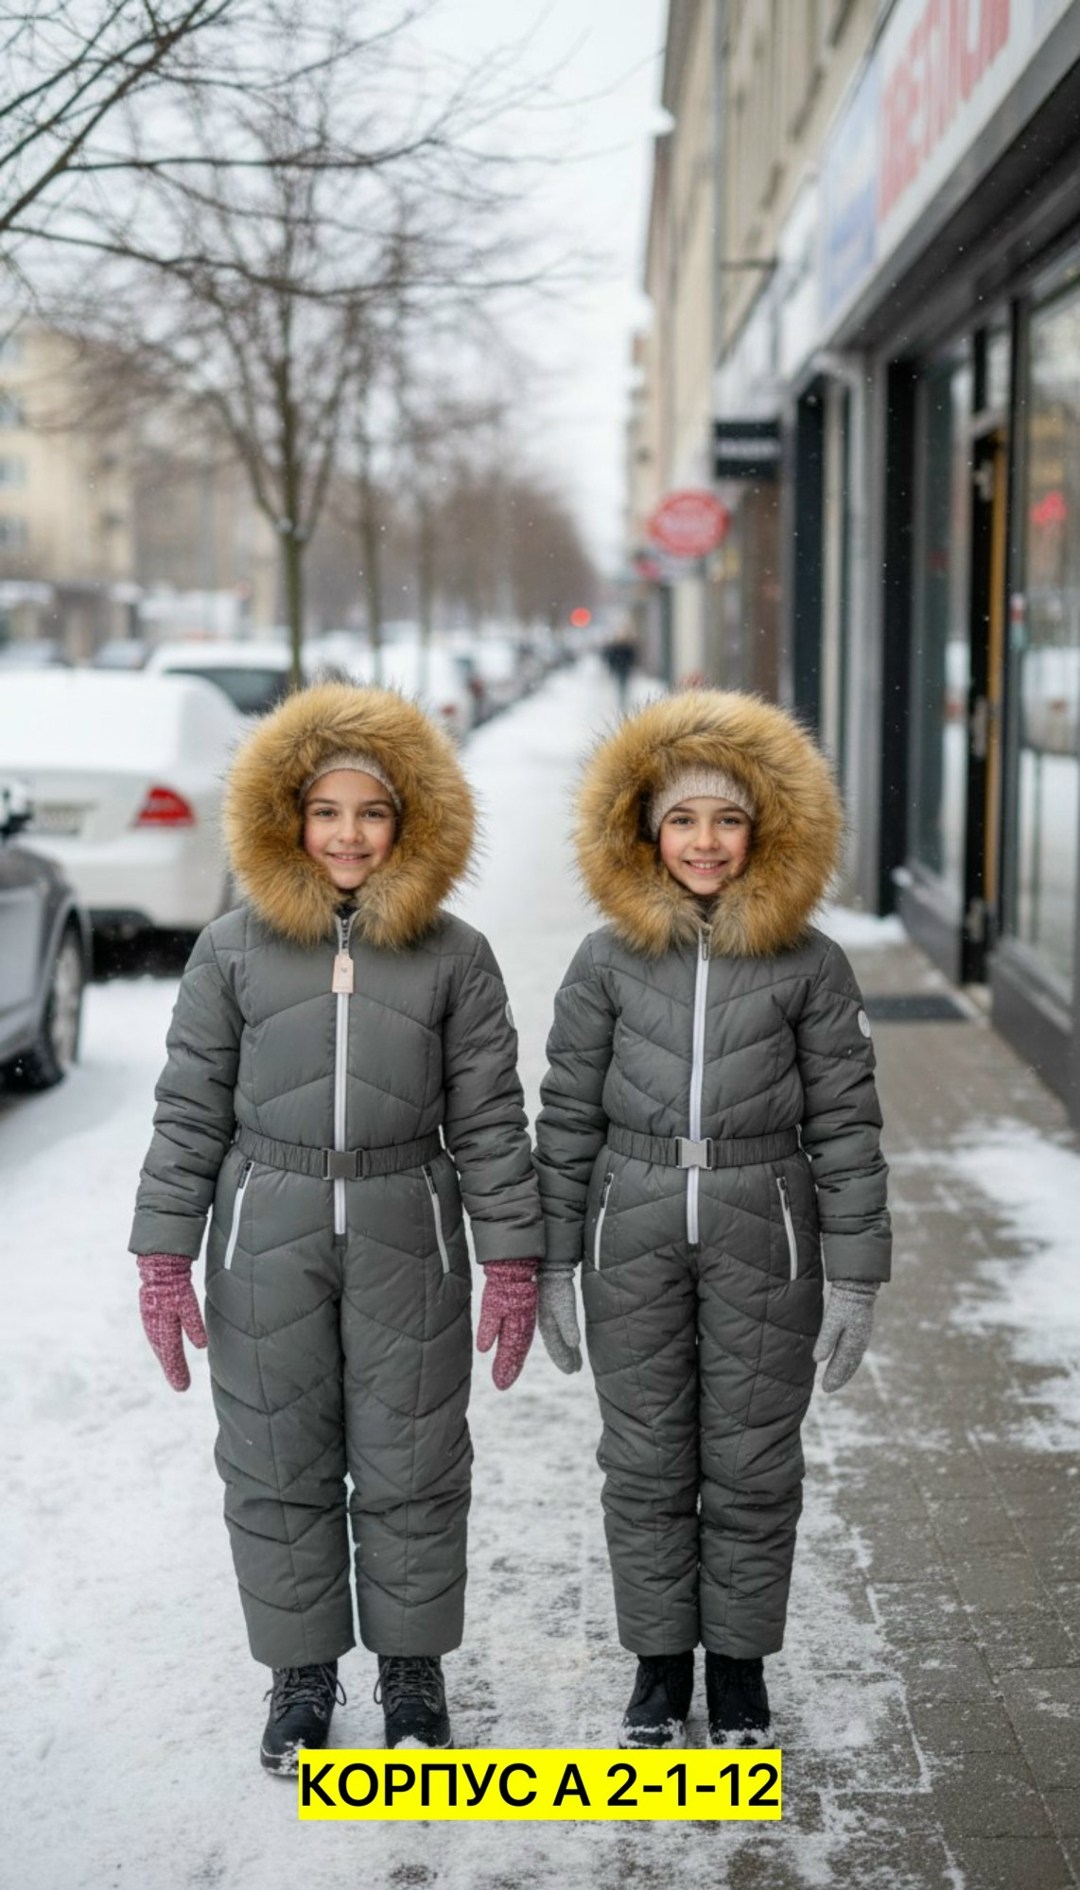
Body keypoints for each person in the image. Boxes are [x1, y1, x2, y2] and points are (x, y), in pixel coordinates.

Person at [130, 681, 542, 1774]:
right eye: (327, 811)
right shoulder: (229, 949)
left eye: (373, 812)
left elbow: (494, 1118)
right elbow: (188, 1108)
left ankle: (412, 1668)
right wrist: (165, 1251)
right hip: (267, 1227)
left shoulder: (455, 956)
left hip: (413, 1226)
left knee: (412, 1460)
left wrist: (511, 1257)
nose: (349, 834)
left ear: (410, 824)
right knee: (275, 1459)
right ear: (288, 821)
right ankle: (300, 1671)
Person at [533, 689, 890, 1750]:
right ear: (645, 830)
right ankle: (656, 1669)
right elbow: (564, 1117)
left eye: (728, 819)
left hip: (764, 1233)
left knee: (749, 1461)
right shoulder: (605, 963)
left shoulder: (810, 966)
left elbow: (847, 1127)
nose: (704, 841)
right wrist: (554, 1262)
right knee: (644, 1461)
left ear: (764, 831)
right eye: (682, 819)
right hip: (628, 1230)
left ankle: (736, 1669)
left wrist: (857, 1274)